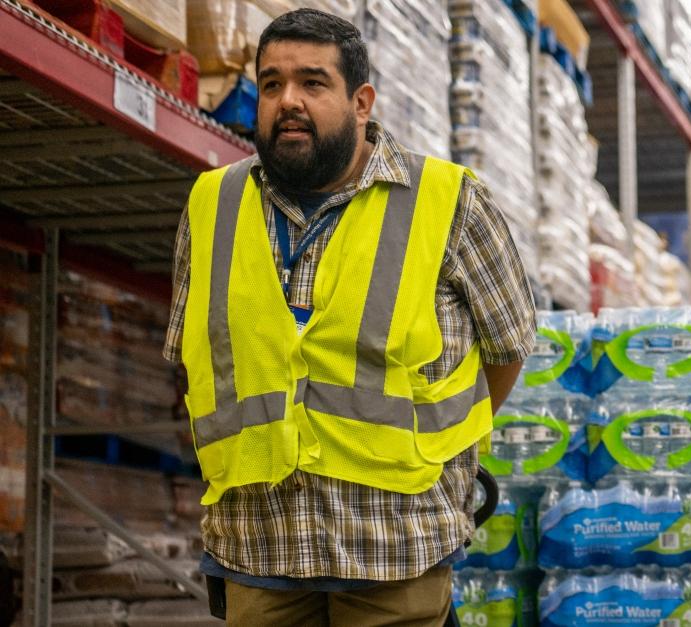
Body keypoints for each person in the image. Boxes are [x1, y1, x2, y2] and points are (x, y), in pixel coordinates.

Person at [163, 8, 536, 625]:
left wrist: (425, 452)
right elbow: (191, 359)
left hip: (395, 549)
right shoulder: (211, 207)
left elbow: (508, 348)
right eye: (273, 83)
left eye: (313, 83)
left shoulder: (449, 201)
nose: (289, 101)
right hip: (259, 549)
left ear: (361, 101)